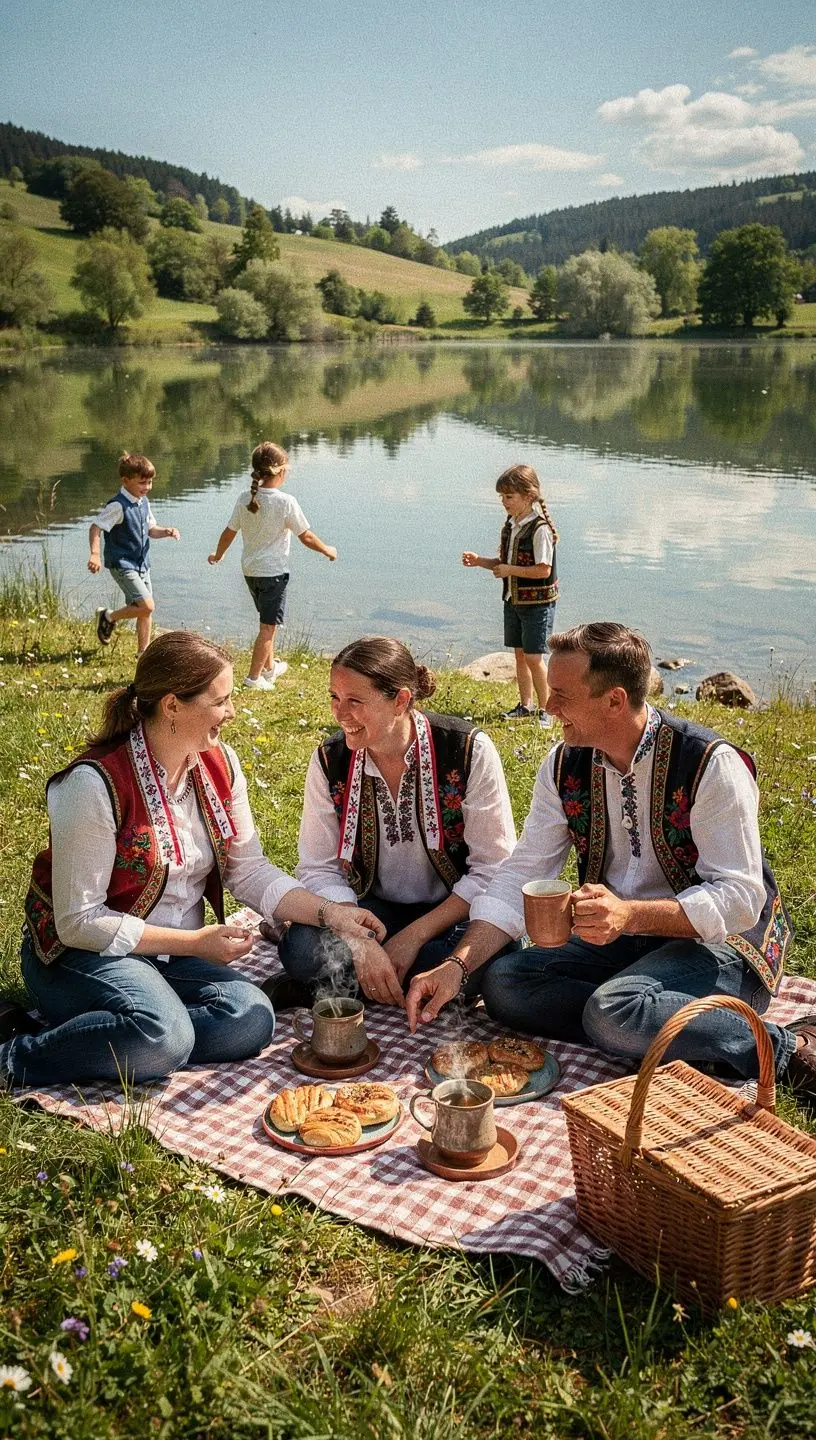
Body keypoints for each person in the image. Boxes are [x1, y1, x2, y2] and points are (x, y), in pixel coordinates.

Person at [405, 622, 816, 1103]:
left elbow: (743, 898)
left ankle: (787, 1048)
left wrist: (631, 915)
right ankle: (657, 1028)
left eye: (562, 695)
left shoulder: (709, 764)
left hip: (723, 945)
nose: (548, 706)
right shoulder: (563, 765)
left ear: (615, 701)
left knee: (611, 1011)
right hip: (622, 941)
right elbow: (520, 873)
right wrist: (458, 964)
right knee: (505, 984)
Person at [0, 632, 385, 1089]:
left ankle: (125, 1030)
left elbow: (249, 869)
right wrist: (196, 944)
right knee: (166, 1035)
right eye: (220, 700)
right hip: (78, 956)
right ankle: (16, 1055)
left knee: (251, 1016)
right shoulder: (92, 783)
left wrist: (332, 913)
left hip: (168, 956)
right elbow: (78, 923)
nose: (232, 712)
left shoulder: (219, 764)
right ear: (172, 706)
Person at [276, 636, 517, 1008]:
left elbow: (493, 871)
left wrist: (415, 935)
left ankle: (342, 987)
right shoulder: (330, 760)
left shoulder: (467, 751)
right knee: (300, 949)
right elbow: (319, 867)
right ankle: (391, 982)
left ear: (401, 701)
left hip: (452, 914)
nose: (340, 715)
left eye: (355, 701)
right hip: (371, 912)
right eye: (334, 698)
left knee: (491, 959)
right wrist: (359, 938)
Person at [208, 441, 337, 690]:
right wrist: (327, 550)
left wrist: (219, 554)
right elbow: (306, 536)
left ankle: (270, 669)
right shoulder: (285, 502)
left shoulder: (245, 498)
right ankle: (254, 678)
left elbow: (228, 533)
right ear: (281, 472)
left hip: (250, 571)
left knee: (267, 623)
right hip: (273, 574)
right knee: (268, 628)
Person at [462, 463, 559, 729]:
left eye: (509, 497)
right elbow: (503, 563)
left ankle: (546, 709)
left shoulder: (539, 530)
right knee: (519, 655)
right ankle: (525, 705)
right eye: (502, 497)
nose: (504, 502)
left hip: (537, 604)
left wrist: (509, 570)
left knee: (534, 657)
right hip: (513, 600)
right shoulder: (511, 526)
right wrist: (480, 561)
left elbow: (543, 570)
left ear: (528, 496)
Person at [90, 452, 180, 657]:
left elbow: (151, 529)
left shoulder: (143, 502)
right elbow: (96, 527)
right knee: (146, 605)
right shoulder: (118, 505)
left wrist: (165, 531)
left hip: (141, 564)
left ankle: (143, 653)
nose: (147, 487)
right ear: (125, 480)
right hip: (122, 563)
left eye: (149, 482)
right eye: (142, 482)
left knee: (144, 609)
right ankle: (109, 616)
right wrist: (95, 554)